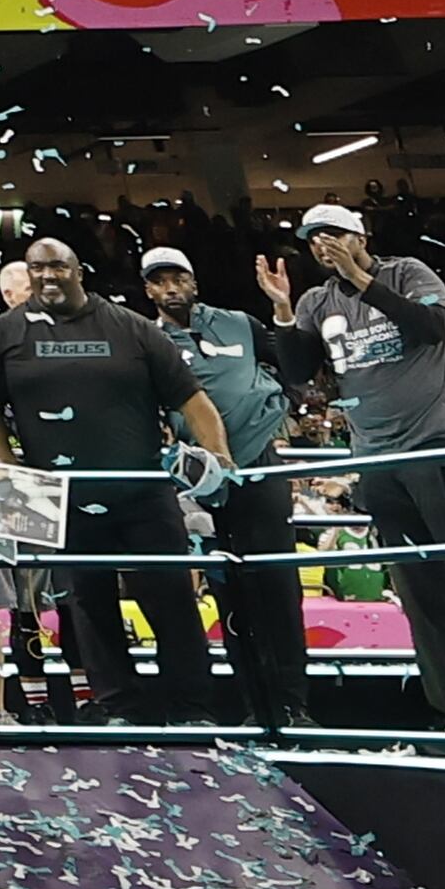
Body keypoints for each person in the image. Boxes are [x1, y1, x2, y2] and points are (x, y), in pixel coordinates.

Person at [266, 207, 445, 736]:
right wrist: (282, 312)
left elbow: (431, 328)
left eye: (336, 235)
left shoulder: (408, 272)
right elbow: (301, 372)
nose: (325, 245)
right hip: (377, 457)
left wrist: (360, 277)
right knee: (424, 589)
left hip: (441, 444)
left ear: (362, 236)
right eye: (314, 239)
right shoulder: (315, 301)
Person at [0, 238, 231, 727]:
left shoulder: (131, 328)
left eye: (57, 267)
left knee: (171, 598)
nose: (47, 276)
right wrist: (7, 466)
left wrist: (217, 457)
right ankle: (120, 707)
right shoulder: (4, 334)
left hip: (143, 487)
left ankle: (191, 708)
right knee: (87, 604)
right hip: (58, 493)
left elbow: (191, 398)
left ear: (78, 270)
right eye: (37, 268)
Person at [142, 248, 309, 729]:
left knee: (278, 585)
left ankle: (294, 707)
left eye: (178, 278)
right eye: (160, 282)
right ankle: (254, 707)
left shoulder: (239, 322)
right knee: (229, 591)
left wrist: (281, 311)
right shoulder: (146, 340)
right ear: (149, 290)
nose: (171, 288)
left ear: (194, 282)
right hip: (201, 478)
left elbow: (293, 364)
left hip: (259, 465)